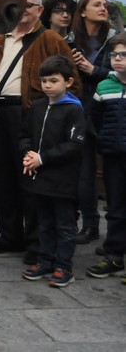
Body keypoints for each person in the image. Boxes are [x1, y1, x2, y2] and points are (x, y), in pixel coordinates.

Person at [0, 0, 82, 263]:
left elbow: (72, 82)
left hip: (32, 114)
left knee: (31, 176)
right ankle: (10, 235)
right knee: (3, 179)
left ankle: (37, 241)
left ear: (39, 10)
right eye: (17, 4)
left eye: (28, 5)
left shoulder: (50, 40)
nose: (22, 9)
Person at [19, 54, 87, 288]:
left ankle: (64, 265)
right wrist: (28, 153)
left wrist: (43, 158)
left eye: (54, 81)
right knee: (44, 223)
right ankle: (45, 260)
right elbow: (25, 134)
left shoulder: (74, 110)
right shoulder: (38, 106)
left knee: (65, 225)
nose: (48, 86)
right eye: (44, 81)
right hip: (40, 179)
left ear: (68, 82)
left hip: (64, 181)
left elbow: (75, 145)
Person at [67, 0, 116, 245]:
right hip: (80, 112)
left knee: (113, 174)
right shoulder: (69, 41)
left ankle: (117, 231)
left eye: (105, 5)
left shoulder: (116, 40)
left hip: (111, 113)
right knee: (84, 173)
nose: (103, 8)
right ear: (83, 11)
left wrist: (93, 70)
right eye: (97, 5)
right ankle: (89, 225)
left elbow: (122, 73)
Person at [85, 33, 126, 281]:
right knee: (116, 207)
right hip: (114, 155)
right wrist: (104, 140)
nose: (117, 59)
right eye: (114, 55)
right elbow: (96, 119)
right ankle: (114, 254)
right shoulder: (104, 86)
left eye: (123, 55)